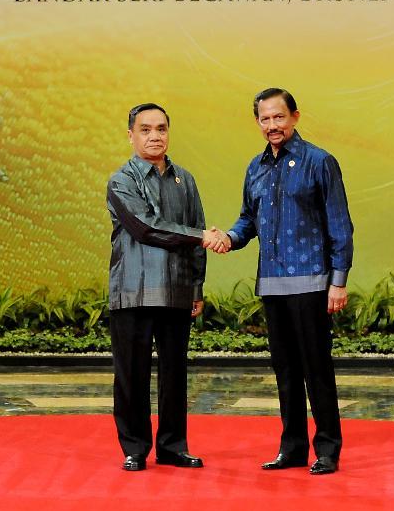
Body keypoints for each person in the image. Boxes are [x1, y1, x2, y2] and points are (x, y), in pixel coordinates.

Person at [213, 88, 353, 475]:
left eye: (278, 117)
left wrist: (337, 282)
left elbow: (340, 226)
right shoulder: (255, 168)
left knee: (316, 370)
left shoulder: (320, 162)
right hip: (272, 285)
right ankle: (291, 448)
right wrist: (229, 238)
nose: (272, 126)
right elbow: (248, 220)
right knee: (285, 372)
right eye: (264, 119)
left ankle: (327, 449)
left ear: (295, 116)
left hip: (311, 284)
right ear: (257, 122)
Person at [106, 102, 227, 472]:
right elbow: (146, 227)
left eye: (161, 128)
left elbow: (197, 226)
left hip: (176, 292)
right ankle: (135, 448)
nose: (154, 136)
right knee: (132, 375)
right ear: (131, 135)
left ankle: (173, 446)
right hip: (132, 291)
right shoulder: (121, 180)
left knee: (175, 374)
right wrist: (202, 237)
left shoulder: (184, 180)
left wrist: (197, 288)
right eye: (145, 129)